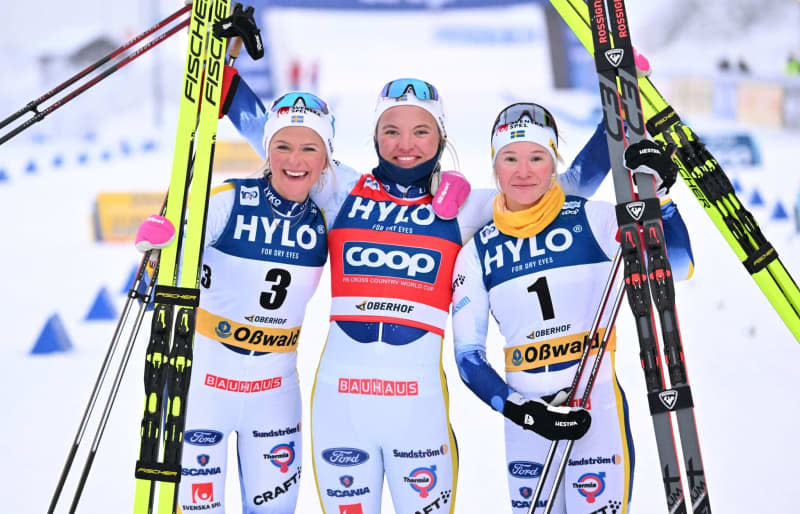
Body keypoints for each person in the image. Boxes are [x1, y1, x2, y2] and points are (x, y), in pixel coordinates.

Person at [223, 75, 618, 513]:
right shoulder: (341, 192)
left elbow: (565, 191)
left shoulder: (466, 208)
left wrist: (622, 112)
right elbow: (286, 145)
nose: (405, 144)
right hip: (341, 410)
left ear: (441, 136)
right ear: (374, 135)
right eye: (391, 130)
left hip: (419, 412)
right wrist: (228, 80)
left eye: (421, 131)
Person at [451, 102, 694, 514]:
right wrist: (524, 412)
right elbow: (467, 358)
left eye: (536, 157)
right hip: (527, 423)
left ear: (553, 163)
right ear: (495, 168)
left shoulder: (592, 220)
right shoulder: (476, 252)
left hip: (594, 406)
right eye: (510, 158)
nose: (523, 171)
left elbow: (679, 263)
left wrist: (661, 201)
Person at [137, 92, 337, 513]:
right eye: (282, 146)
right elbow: (165, 267)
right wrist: (158, 251)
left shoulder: (328, 217)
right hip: (205, 390)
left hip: (275, 395)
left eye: (309, 148)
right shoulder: (229, 199)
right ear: (267, 150)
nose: (294, 160)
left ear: (326, 158)